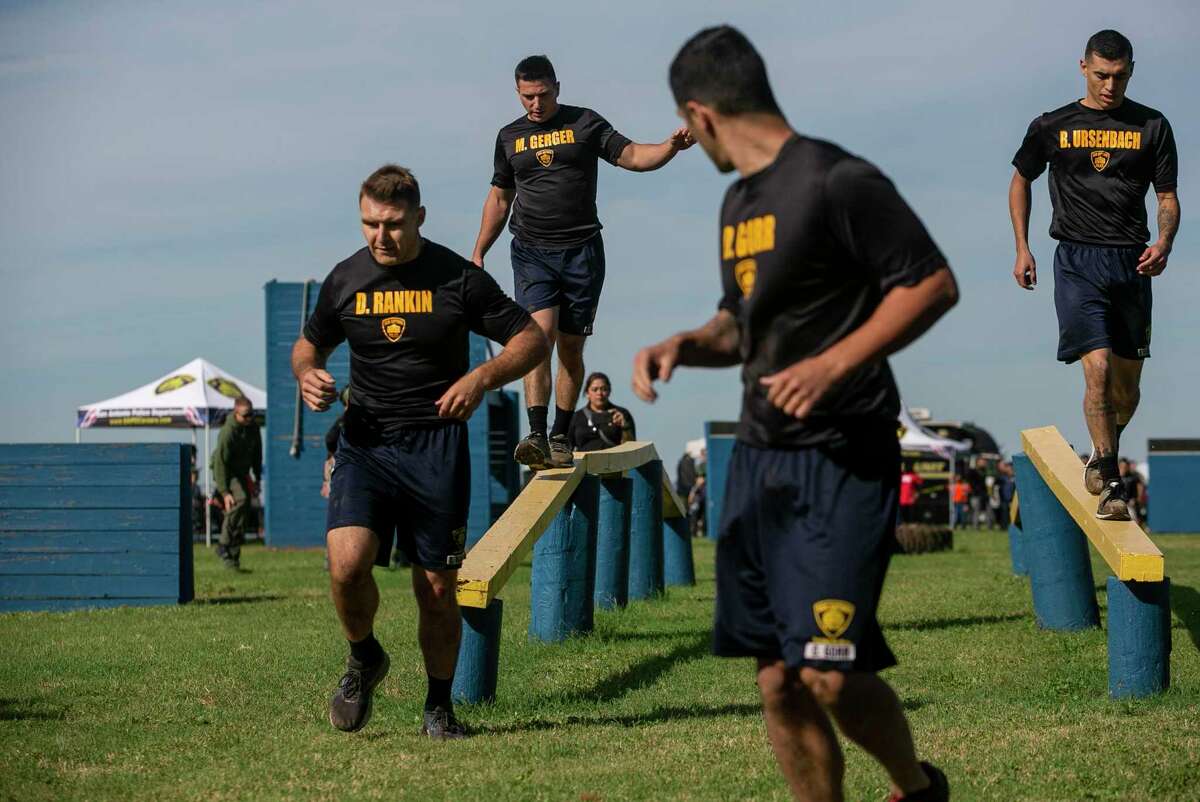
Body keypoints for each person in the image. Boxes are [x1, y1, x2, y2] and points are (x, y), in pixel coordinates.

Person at [632, 26, 957, 802]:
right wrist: (685, 342)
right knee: (778, 679)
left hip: (843, 456)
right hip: (759, 460)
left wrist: (834, 362)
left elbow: (931, 283)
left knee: (830, 674)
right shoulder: (737, 201)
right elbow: (742, 323)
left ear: (699, 113)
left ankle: (917, 789)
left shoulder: (835, 179)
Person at [291, 165, 547, 739]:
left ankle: (438, 708)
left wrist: (482, 378)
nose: (380, 237)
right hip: (366, 443)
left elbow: (532, 338)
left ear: (420, 218)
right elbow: (308, 345)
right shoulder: (346, 279)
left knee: (436, 589)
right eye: (370, 225)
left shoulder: (457, 277)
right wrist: (308, 374)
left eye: (393, 225)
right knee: (346, 566)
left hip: (436, 449)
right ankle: (364, 657)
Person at [471, 54, 695, 470]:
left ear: (557, 86)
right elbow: (500, 198)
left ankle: (560, 434)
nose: (535, 105)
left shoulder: (585, 123)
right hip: (531, 250)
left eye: (542, 95)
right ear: (517, 93)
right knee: (538, 337)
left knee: (570, 349)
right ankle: (536, 434)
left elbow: (631, 156)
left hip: (582, 252)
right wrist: (479, 249)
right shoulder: (509, 137)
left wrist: (670, 147)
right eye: (526, 97)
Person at [1009, 29, 1180, 521]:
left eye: (1120, 77)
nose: (1110, 85)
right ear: (1083, 67)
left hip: (1131, 263)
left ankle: (1100, 449)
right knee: (1098, 369)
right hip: (1077, 260)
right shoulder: (1052, 125)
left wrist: (1164, 243)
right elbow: (1021, 179)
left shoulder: (1153, 126)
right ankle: (1110, 480)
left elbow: (1167, 199)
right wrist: (1022, 247)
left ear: (1130, 72)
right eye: (1102, 75)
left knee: (1126, 389)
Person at [210, 397, 262, 570]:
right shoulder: (228, 432)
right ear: (236, 413)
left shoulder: (253, 428)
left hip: (242, 473)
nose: (250, 418)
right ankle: (223, 543)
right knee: (240, 500)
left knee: (243, 510)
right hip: (225, 471)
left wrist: (258, 479)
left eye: (252, 414)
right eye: (246, 415)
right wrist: (224, 492)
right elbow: (219, 463)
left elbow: (257, 455)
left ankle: (232, 558)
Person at [568, 371, 636, 451]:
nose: (599, 393)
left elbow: (631, 447)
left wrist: (625, 427)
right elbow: (568, 445)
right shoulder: (577, 417)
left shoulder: (621, 413)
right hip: (585, 461)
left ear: (609, 391)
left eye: (604, 389)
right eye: (595, 389)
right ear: (587, 393)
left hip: (614, 461)